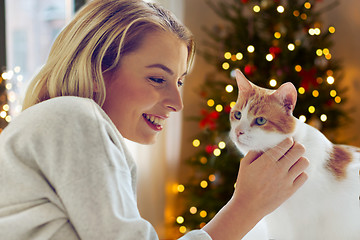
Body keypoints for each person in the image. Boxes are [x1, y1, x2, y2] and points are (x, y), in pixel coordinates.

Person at [0, 0, 309, 239]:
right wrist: (246, 206)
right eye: (158, 79)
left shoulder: (55, 127)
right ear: (97, 69)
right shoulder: (72, 118)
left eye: (179, 82)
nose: (177, 103)